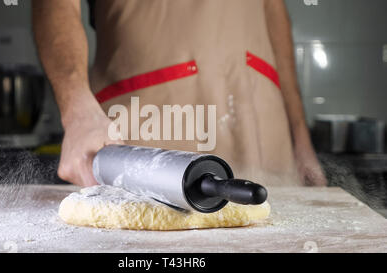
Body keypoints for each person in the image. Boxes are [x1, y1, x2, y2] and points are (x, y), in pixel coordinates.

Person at [32, 0, 327, 188]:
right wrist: (78, 110)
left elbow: (272, 10)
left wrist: (300, 137)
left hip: (262, 129)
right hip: (146, 126)